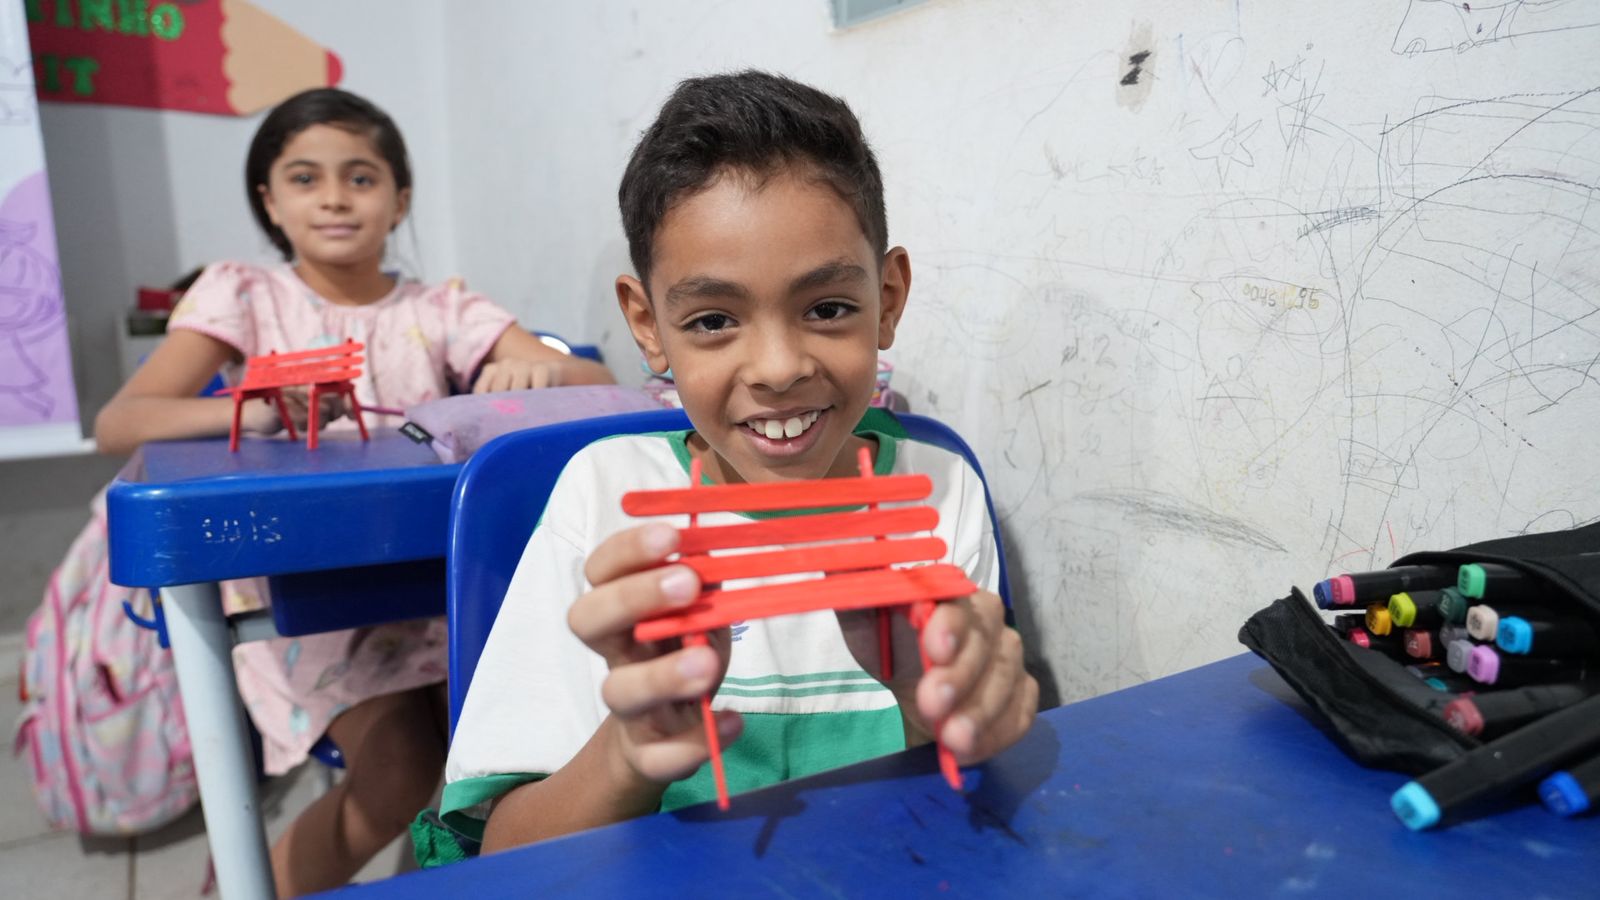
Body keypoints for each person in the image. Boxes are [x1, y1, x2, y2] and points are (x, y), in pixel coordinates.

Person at [432, 70, 1037, 861]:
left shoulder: (935, 489)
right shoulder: (604, 500)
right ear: (648, 326)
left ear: (887, 298)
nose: (779, 367)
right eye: (714, 320)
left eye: (827, 309)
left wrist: (944, 712)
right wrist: (628, 751)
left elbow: (975, 800)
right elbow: (498, 854)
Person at [94, 88, 613, 896]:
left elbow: (596, 380)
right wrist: (255, 407)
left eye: (361, 177)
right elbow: (123, 422)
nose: (334, 197)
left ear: (400, 198)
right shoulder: (243, 296)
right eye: (305, 178)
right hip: (308, 607)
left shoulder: (442, 308)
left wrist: (538, 366)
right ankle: (244, 882)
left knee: (527, 732)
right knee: (402, 761)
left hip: (438, 594)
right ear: (270, 200)